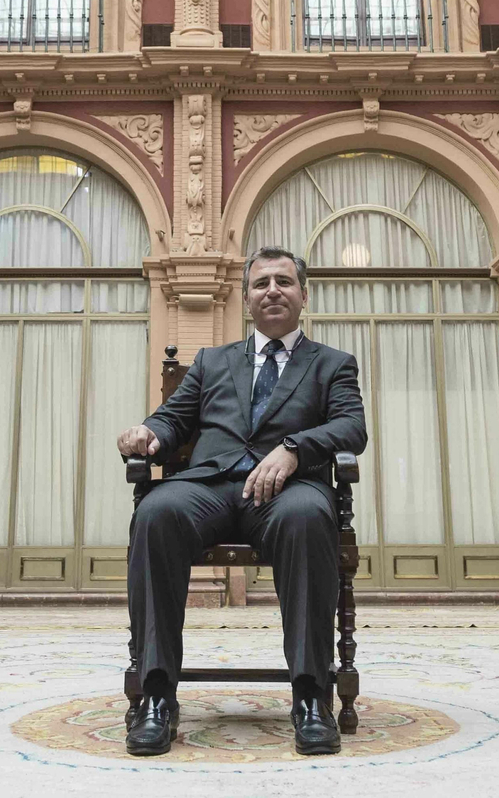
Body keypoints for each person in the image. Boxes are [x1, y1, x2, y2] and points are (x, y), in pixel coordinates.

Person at [116, 246, 368, 757]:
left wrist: (296, 449)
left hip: (286, 493)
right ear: (246, 299)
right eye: (261, 284)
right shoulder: (212, 361)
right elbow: (174, 418)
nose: (272, 290)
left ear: (303, 294)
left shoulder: (333, 364)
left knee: (306, 518)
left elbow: (351, 427)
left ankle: (311, 696)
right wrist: (148, 434)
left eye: (283, 281)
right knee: (157, 512)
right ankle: (158, 695)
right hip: (209, 486)